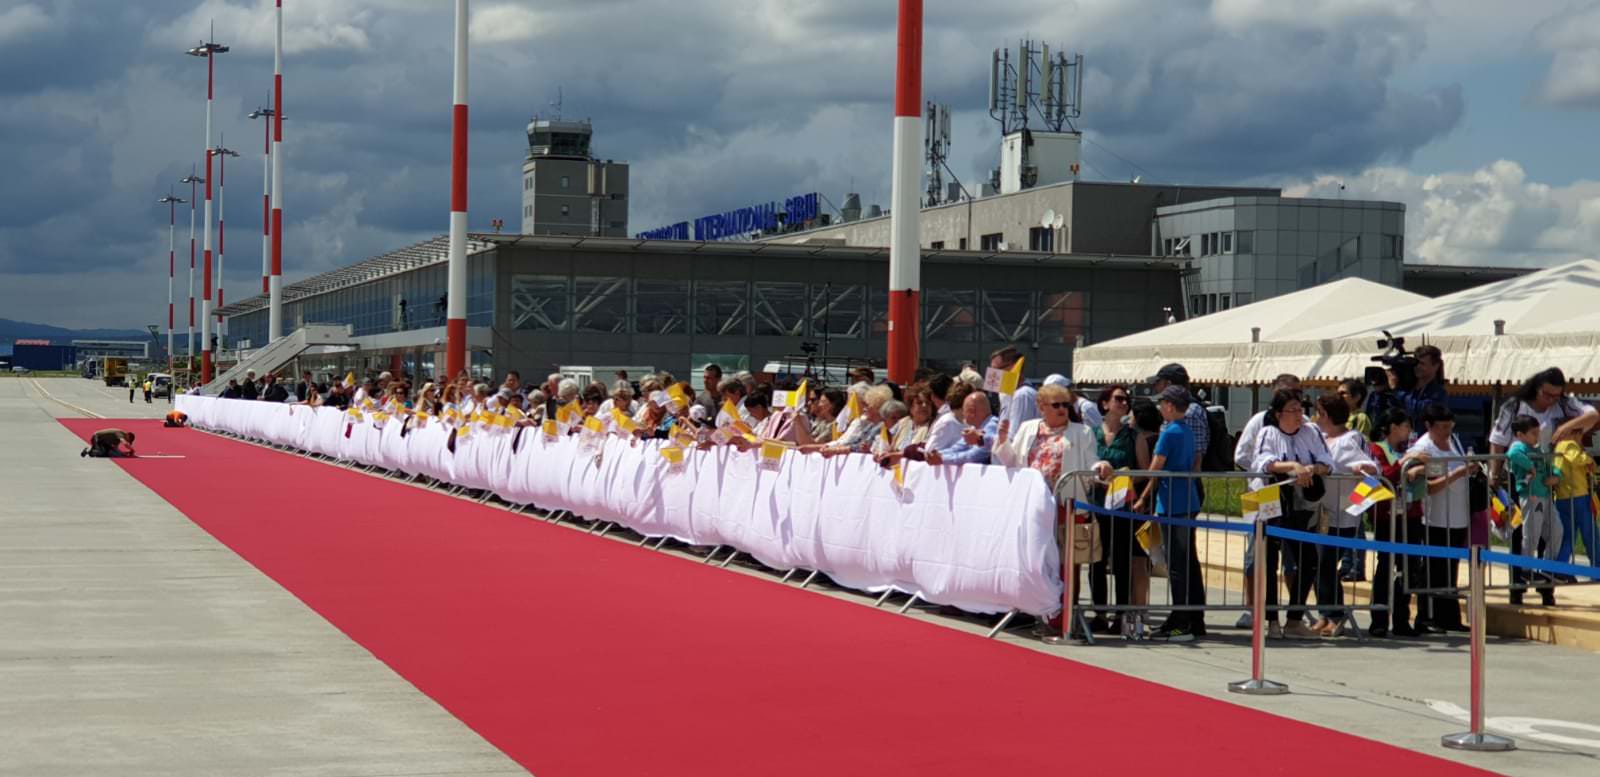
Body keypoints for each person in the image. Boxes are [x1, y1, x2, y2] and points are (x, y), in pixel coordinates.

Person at [992, 382, 1113, 637]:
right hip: (1034, 509)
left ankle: (1066, 617)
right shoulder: (1027, 429)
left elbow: (1092, 462)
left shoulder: (1082, 433)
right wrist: (1002, 441)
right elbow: (1012, 461)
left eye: (1066, 404)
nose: (1062, 409)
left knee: (1068, 565)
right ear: (1041, 407)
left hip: (1067, 507)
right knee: (1036, 563)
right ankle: (1040, 612)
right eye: (1056, 405)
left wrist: (1102, 467)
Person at [1251, 389, 1333, 640]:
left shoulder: (1311, 432)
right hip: (1271, 500)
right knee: (1268, 561)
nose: (1299, 415)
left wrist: (1312, 468)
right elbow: (1262, 462)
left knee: (1307, 560)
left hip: (1302, 504)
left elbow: (1327, 461)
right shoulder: (1268, 433)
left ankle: (1295, 618)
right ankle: (1272, 620)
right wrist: (1292, 467)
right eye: (1293, 410)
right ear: (1278, 414)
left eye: (1301, 410)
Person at [1128, 386, 1206, 641]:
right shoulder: (1185, 430)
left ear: (1170, 406)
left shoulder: (1169, 432)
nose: (1160, 408)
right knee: (1188, 562)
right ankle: (1193, 617)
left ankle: (1181, 620)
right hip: (1186, 499)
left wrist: (1141, 493)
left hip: (1173, 502)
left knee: (1177, 564)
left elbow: (1155, 467)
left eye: (1162, 404)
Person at [1403, 402, 1473, 631]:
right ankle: (1427, 615)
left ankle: (1449, 616)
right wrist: (1457, 473)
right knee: (1433, 568)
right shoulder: (1423, 449)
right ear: (1429, 426)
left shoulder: (1454, 442)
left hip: (1458, 514)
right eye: (1441, 427)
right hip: (1434, 516)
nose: (1446, 431)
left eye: (1449, 426)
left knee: (1450, 567)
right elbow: (1428, 485)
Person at [1312, 394, 1378, 637]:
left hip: (1343, 512)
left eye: (1319, 413)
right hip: (1320, 512)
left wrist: (1364, 470)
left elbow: (1370, 466)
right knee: (1320, 564)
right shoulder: (1320, 438)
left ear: (1327, 415)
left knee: (1328, 563)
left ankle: (1335, 614)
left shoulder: (1350, 439)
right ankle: (1325, 613)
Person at [1088, 384, 1141, 635]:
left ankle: (1120, 614)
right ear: (1105, 403)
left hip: (1121, 506)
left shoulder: (1133, 436)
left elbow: (1143, 470)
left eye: (1126, 400)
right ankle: (1099, 613)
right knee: (1096, 560)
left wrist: (1123, 477)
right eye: (1118, 398)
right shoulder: (1092, 434)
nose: (1123, 403)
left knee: (1121, 562)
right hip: (1096, 503)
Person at [1368, 409, 1423, 637]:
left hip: (1410, 514)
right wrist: (1406, 463)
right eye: (1405, 426)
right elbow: (1386, 474)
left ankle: (1402, 620)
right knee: (1385, 568)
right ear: (1393, 428)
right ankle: (1379, 620)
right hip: (1386, 515)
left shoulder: (1412, 451)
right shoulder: (1376, 449)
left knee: (1408, 569)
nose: (1409, 431)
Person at [1506, 415, 1563, 590]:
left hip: (1545, 496)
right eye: (1533, 433)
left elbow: (1550, 466)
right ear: (1520, 434)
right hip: (1531, 497)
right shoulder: (1518, 447)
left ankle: (1547, 566)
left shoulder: (1537, 449)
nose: (1536, 436)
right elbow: (1512, 454)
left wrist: (1556, 476)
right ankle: (1526, 568)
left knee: (1556, 530)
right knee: (1531, 532)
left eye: (1538, 433)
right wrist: (1530, 465)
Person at [1553, 435, 1597, 571]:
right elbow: (1576, 459)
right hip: (1578, 495)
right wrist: (1589, 459)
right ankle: (1597, 567)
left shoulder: (1558, 446)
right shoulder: (1569, 444)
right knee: (1590, 534)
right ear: (1575, 432)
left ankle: (1560, 568)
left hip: (1562, 497)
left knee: (1568, 535)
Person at [923, 389, 997, 466]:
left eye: (964, 411)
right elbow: (957, 448)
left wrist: (943, 458)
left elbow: (974, 456)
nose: (963, 415)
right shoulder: (974, 428)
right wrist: (935, 454)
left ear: (972, 411)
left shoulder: (992, 426)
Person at [990, 346, 1039, 431]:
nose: (992, 375)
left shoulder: (1023, 395)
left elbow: (1016, 435)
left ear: (1012, 367)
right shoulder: (1005, 393)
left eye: (996, 370)